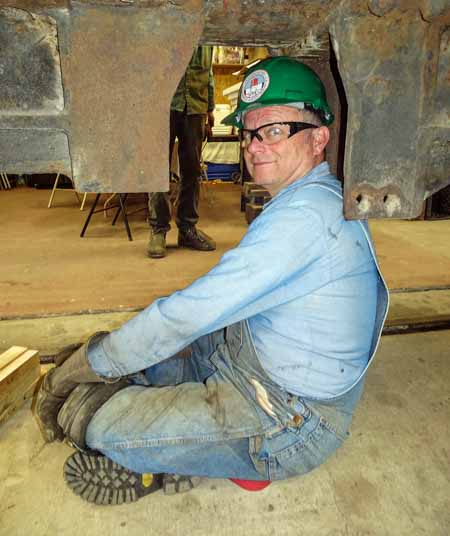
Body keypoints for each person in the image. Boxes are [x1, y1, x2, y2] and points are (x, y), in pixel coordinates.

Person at [35, 57, 388, 504]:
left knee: (100, 421)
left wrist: (83, 368)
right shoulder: (313, 197)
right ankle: (182, 436)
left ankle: (170, 455)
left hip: (291, 420)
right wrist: (113, 359)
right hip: (254, 360)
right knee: (148, 355)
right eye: (249, 132)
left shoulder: (305, 219)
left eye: (275, 130)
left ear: (319, 138)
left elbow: (184, 316)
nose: (254, 146)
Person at [147, 45, 216, 258]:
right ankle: (158, 230)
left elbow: (208, 73)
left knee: (193, 170)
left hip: (195, 107)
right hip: (162, 107)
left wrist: (210, 107)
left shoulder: (206, 39)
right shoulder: (165, 29)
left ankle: (187, 229)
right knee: (158, 171)